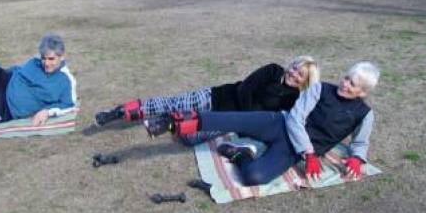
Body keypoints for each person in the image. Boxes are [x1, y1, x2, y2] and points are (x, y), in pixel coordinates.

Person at [145, 61, 380, 186]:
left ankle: (240, 156)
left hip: (291, 149)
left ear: (362, 92)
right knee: (234, 118)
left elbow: (361, 141)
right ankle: (173, 122)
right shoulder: (320, 89)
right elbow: (297, 117)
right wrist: (309, 153)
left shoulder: (364, 114)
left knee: (254, 177)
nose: (345, 84)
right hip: (280, 124)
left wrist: (357, 159)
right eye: (347, 77)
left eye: (353, 84)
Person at [95, 56, 320, 145]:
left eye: (300, 74)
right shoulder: (273, 70)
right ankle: (120, 112)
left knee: (189, 140)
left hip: (224, 121)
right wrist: (248, 118)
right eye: (295, 68)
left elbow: (277, 122)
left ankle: (168, 121)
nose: (294, 73)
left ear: (305, 82)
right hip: (217, 97)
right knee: (173, 103)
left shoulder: (294, 100)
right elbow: (245, 89)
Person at [0, 34, 77, 127]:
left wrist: (47, 112)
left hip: (6, 107)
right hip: (5, 80)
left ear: (62, 57)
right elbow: (19, 70)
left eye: (51, 59)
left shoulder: (66, 81)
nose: (46, 63)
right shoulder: (36, 60)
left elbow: (69, 105)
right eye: (44, 58)